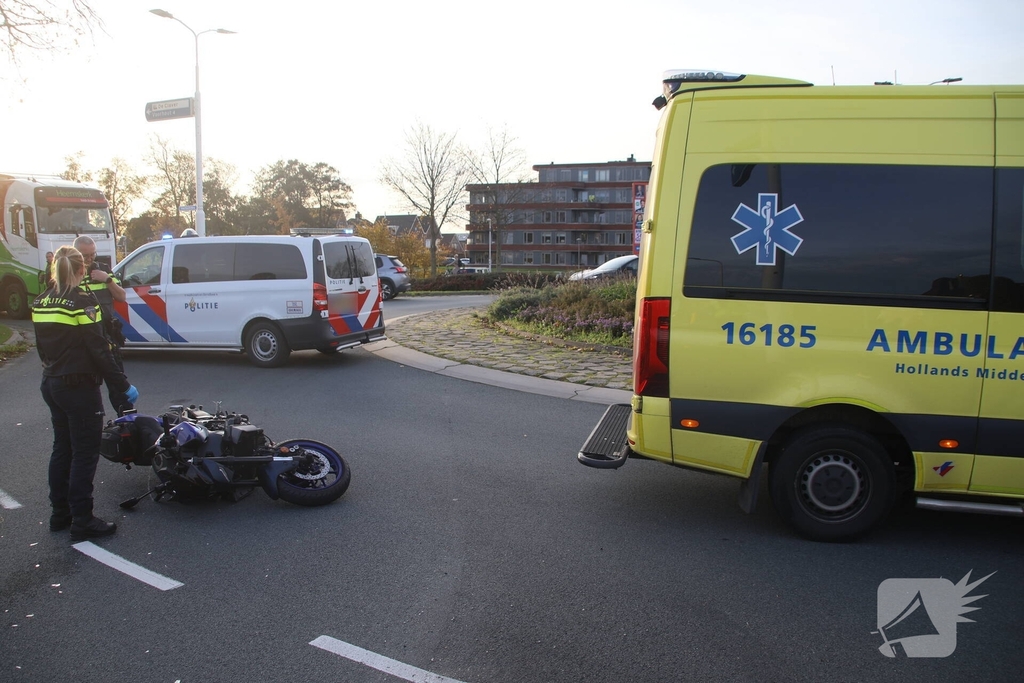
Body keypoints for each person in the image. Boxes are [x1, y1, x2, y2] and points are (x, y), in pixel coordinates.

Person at [32, 245, 139, 541]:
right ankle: (83, 519)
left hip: (52, 382)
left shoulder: (41, 301)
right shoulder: (82, 302)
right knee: (84, 452)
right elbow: (99, 350)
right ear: (81, 270)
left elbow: (41, 347)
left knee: (62, 447)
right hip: (78, 386)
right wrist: (122, 385)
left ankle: (60, 514)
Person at [72, 235, 131, 414]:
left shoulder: (104, 269)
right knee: (88, 390)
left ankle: (127, 421)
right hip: (85, 340)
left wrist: (107, 279)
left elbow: (121, 296)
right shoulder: (72, 274)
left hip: (108, 337)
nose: (90, 259)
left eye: (93, 254)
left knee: (119, 388)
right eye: (85, 256)